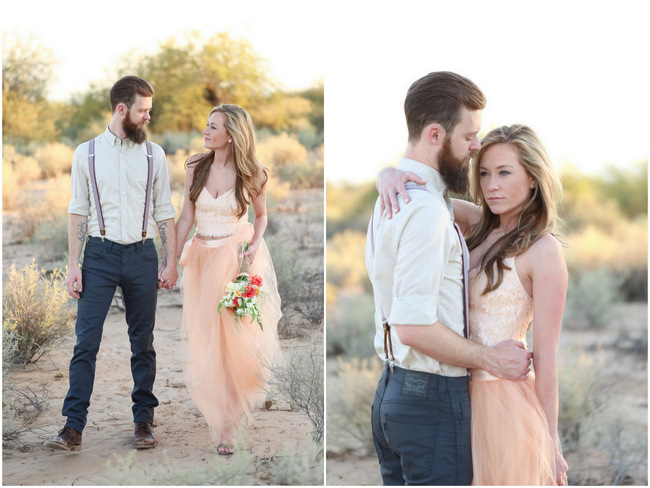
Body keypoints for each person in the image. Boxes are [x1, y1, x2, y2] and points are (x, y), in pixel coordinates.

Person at [365, 71, 533, 485]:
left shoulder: (401, 196)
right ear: (436, 134)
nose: (477, 148)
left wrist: (386, 172)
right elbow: (414, 327)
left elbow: (492, 224)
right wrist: (493, 359)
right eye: (470, 136)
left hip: (393, 392)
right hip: (431, 403)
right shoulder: (423, 211)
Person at [378, 124, 569, 485]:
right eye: (483, 173)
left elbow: (547, 358)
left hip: (502, 400)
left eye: (504, 173)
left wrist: (550, 440)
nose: (491, 185)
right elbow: (425, 196)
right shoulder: (477, 224)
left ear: (533, 178)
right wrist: (385, 175)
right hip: (452, 392)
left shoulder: (543, 250)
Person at [46, 76, 178, 451]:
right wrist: (74, 265)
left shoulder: (156, 155)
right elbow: (78, 211)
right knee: (85, 343)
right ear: (122, 110)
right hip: (99, 257)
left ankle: (143, 421)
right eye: (143, 111)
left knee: (143, 344)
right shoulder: (85, 153)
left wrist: (170, 261)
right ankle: (73, 427)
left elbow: (164, 211)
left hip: (141, 254)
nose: (148, 117)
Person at [173, 104, 281, 455]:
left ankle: (227, 424)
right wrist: (170, 260)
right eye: (206, 125)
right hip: (201, 260)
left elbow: (261, 216)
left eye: (212, 127)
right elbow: (187, 214)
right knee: (207, 337)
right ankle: (225, 408)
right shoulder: (195, 166)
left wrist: (254, 244)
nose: (205, 131)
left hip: (236, 259)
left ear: (231, 135)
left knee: (231, 340)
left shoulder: (255, 173)